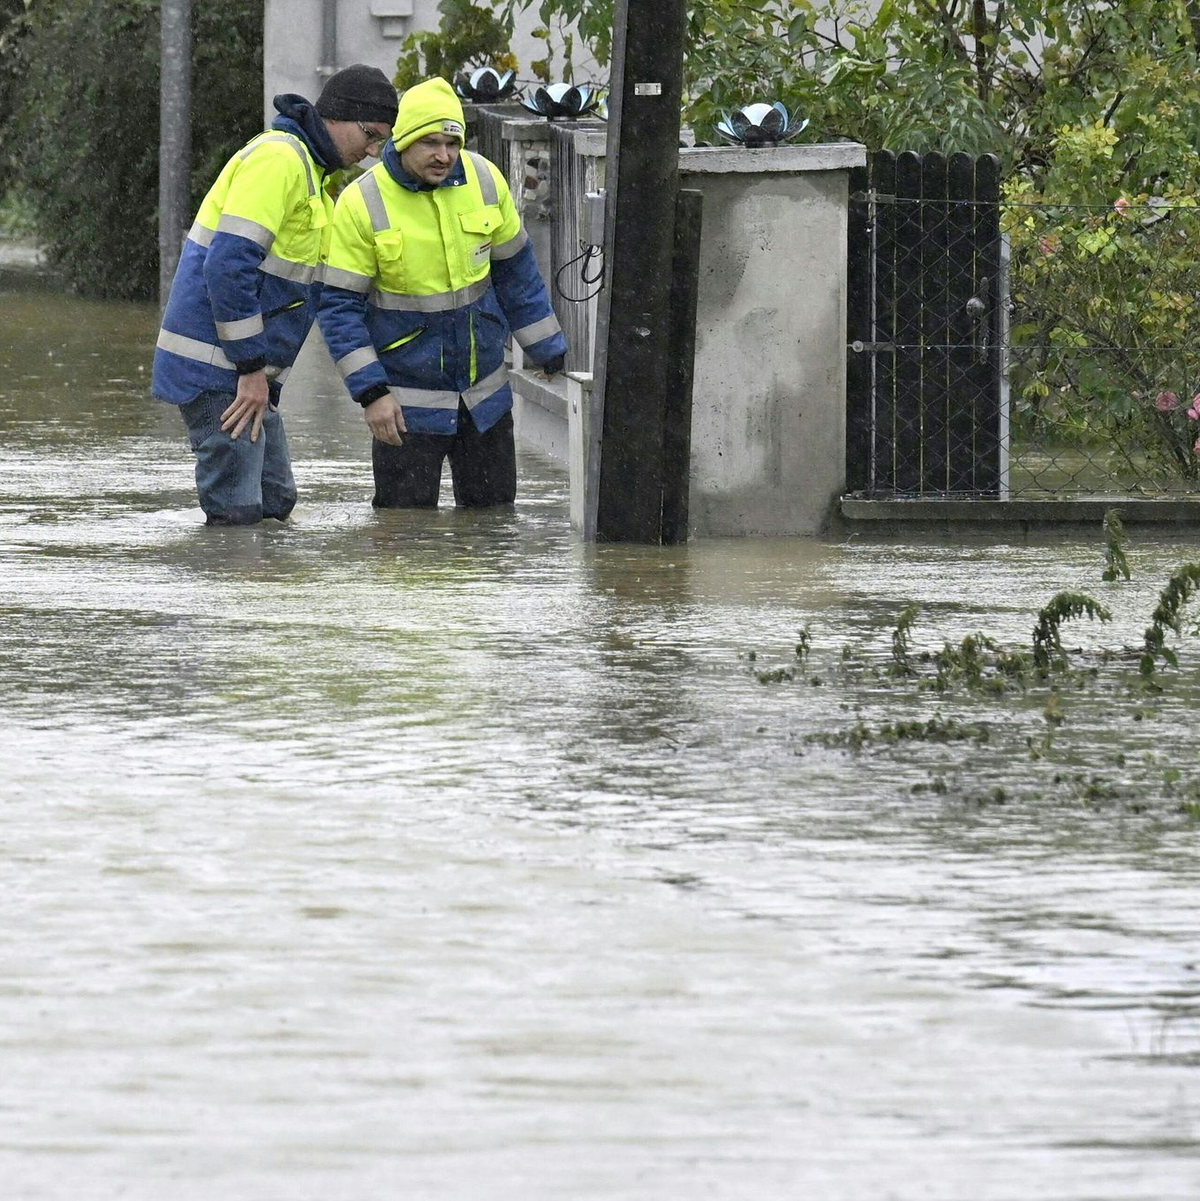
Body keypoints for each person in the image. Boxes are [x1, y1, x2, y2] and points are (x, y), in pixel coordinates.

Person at [153, 65, 399, 524]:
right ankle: (234, 588)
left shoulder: (312, 176)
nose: (371, 152)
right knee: (238, 516)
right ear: (337, 117)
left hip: (244, 376)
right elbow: (227, 265)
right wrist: (250, 369)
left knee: (274, 504)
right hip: (221, 372)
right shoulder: (279, 161)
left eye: (381, 142)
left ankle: (260, 588)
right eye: (370, 135)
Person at [317, 76, 567, 509]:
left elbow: (515, 271)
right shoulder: (362, 201)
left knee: (494, 531)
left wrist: (547, 348)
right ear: (404, 140)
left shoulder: (484, 179)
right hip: (404, 409)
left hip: (485, 400)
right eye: (430, 143)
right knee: (406, 542)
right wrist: (371, 394)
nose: (444, 155)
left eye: (452, 143)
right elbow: (339, 308)